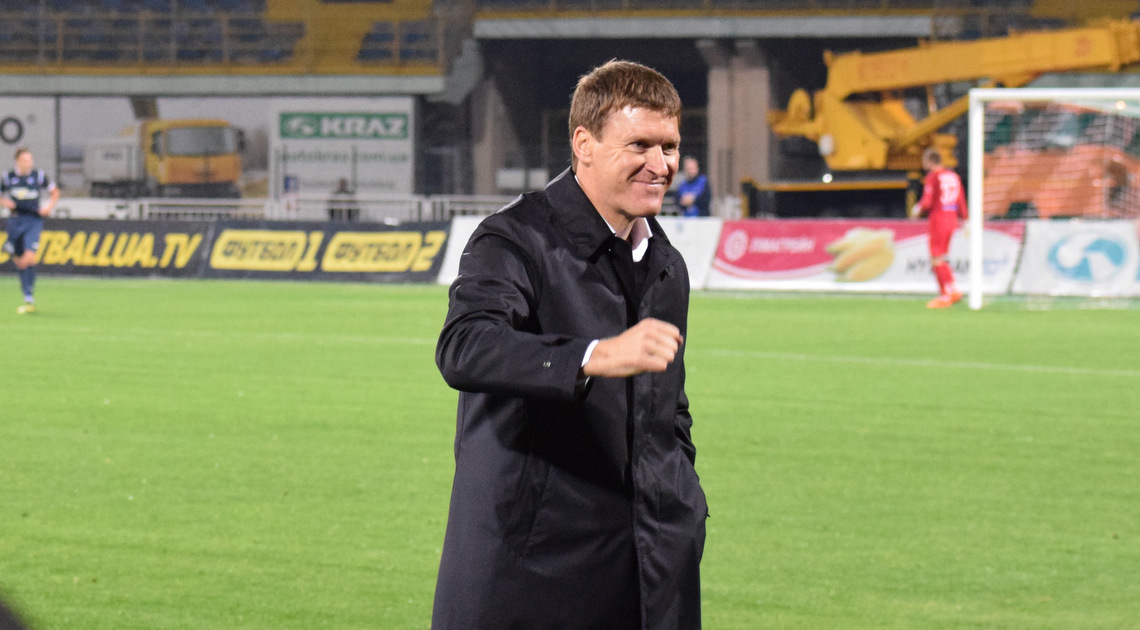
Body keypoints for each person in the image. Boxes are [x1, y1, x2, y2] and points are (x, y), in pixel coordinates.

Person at [433, 60, 706, 629]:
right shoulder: (513, 238)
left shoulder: (666, 264)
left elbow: (668, 408)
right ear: (584, 144)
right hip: (537, 568)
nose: (660, 165)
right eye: (640, 145)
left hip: (653, 562)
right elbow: (466, 345)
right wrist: (590, 356)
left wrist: (683, 500)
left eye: (670, 147)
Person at [2, 147, 58, 314]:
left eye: (30, 160)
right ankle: (27, 294)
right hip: (16, 220)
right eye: (25, 160)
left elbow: (55, 192)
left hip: (33, 220)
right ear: (17, 161)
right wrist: (5, 202)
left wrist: (48, 207)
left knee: (30, 257)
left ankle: (29, 296)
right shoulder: (8, 177)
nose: (29, 163)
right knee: (20, 261)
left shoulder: (38, 176)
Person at [911, 148, 967, 309]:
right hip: (951, 219)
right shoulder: (953, 176)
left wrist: (917, 209)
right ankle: (954, 289)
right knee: (942, 257)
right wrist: (966, 219)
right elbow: (961, 199)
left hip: (938, 219)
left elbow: (927, 201)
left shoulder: (933, 177)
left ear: (929, 161)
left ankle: (945, 295)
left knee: (936, 258)